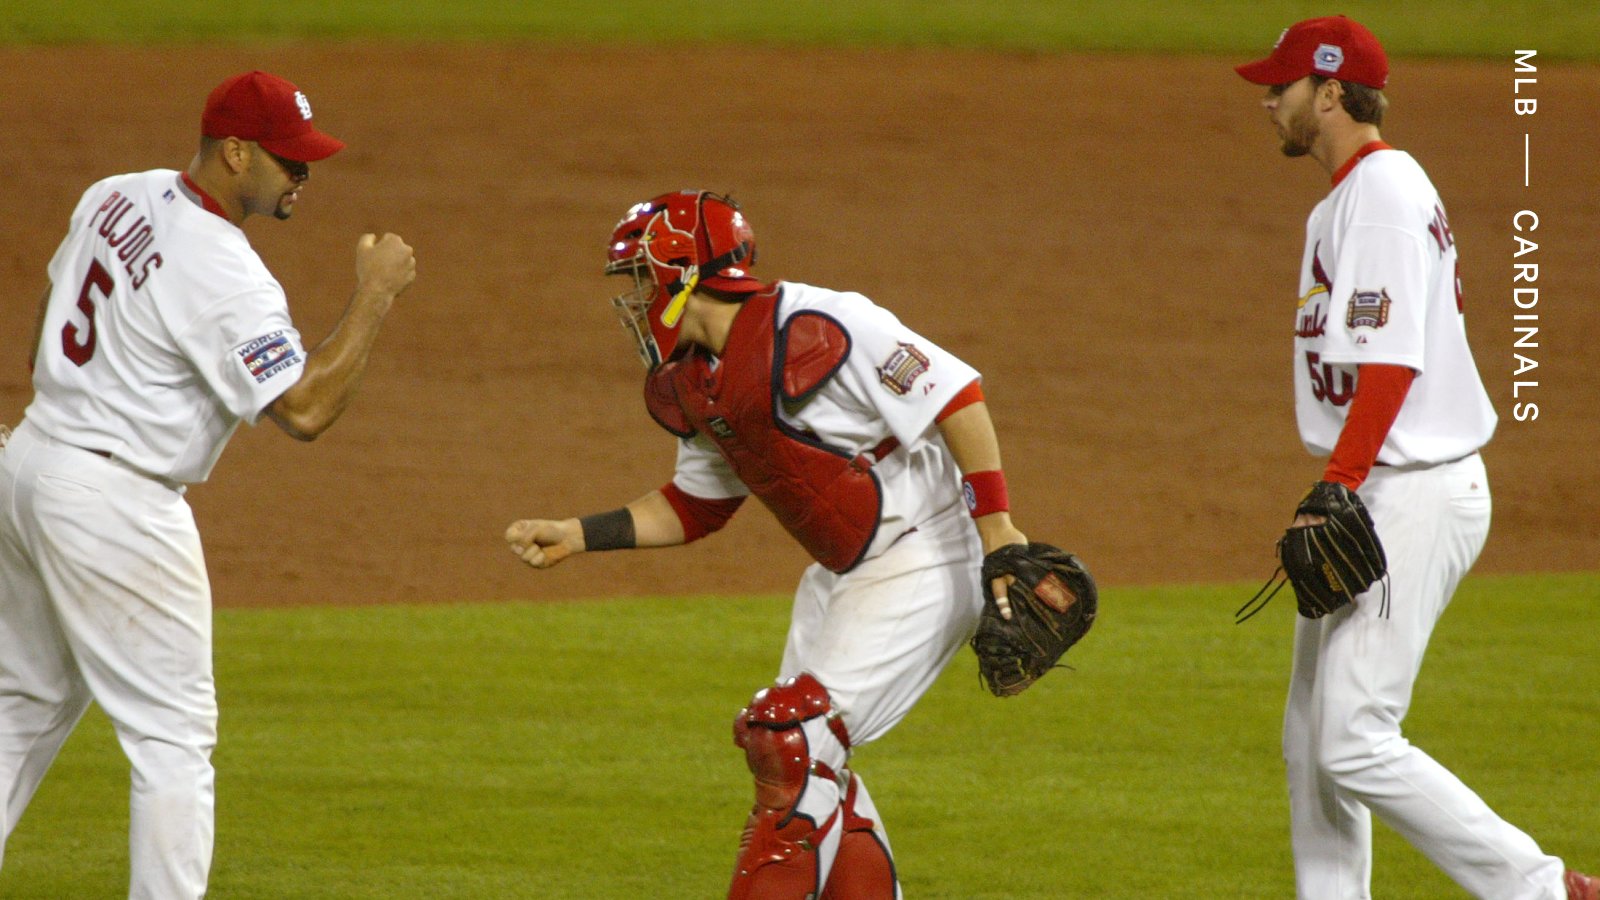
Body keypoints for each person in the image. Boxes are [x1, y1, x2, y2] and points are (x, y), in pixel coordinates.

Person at [506, 190, 1033, 898]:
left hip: (927, 550)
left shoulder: (823, 322)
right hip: (844, 575)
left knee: (792, 736)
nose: (631, 300)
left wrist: (996, 528)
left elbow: (953, 394)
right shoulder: (694, 380)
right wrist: (578, 535)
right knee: (805, 756)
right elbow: (697, 506)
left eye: (637, 278)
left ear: (680, 271)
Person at [0, 70, 416, 898]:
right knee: (173, 738)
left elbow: (58, 297)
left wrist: (58, 415)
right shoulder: (225, 271)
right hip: (114, 503)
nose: (304, 177)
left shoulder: (117, 193)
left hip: (32, 462)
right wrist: (373, 296)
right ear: (234, 153)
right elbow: (302, 409)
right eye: (288, 162)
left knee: (21, 701)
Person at [1236, 17, 1595, 900]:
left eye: (1281, 87)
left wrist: (1338, 483)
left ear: (1329, 92)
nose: (1268, 101)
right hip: (1382, 484)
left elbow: (1390, 361)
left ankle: (1543, 889)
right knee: (1311, 744)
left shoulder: (1385, 192)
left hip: (1411, 489)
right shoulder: (1346, 199)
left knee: (1352, 735)